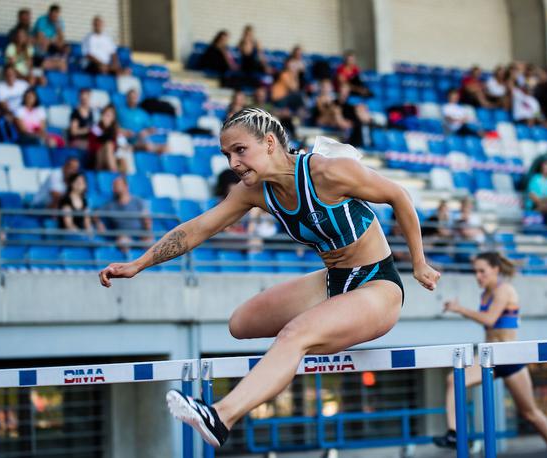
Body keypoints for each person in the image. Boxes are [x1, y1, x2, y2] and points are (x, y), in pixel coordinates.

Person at [98, 108, 441, 447]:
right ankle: (314, 338)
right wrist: (138, 264)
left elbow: (400, 196)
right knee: (241, 324)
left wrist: (419, 262)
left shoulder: (328, 172)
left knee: (294, 334)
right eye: (227, 154)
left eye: (240, 150)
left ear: (271, 143)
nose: (233, 163)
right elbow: (197, 229)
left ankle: (221, 416)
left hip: (377, 284)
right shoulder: (254, 191)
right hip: (333, 280)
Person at [434, 252, 547, 458]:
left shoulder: (505, 291)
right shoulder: (485, 294)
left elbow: (490, 320)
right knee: (453, 379)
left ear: (496, 270)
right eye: (475, 271)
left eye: (482, 271)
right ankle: (454, 433)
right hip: (489, 356)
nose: (478, 276)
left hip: (510, 356)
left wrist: (459, 309)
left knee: (529, 413)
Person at [95, 176, 152, 249]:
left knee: (151, 244)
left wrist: (147, 233)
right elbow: (96, 213)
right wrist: (99, 223)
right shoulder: (110, 205)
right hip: (123, 237)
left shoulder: (138, 202)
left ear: (126, 186)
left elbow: (147, 221)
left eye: (117, 185)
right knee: (123, 242)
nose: (114, 188)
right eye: (113, 186)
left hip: (140, 236)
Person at [89, 105, 120, 171]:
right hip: (97, 157)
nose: (107, 117)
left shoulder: (114, 130)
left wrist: (109, 129)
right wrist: (105, 127)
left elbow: (115, 146)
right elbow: (94, 146)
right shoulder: (95, 128)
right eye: (106, 114)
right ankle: (114, 173)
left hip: (110, 156)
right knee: (108, 145)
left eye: (109, 115)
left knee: (122, 160)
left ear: (113, 118)